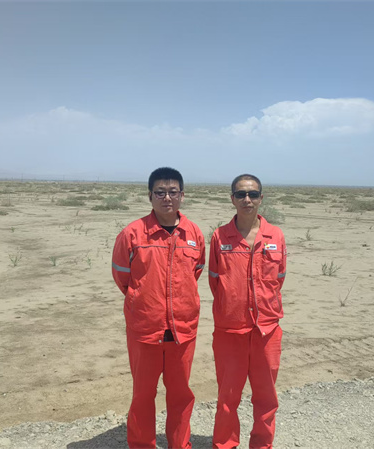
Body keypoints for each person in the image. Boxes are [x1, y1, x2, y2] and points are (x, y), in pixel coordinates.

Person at [112, 167, 206, 449]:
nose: (167, 198)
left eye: (173, 192)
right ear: (150, 196)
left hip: (182, 330)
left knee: (180, 394)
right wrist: (143, 300)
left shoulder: (194, 233)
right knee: (143, 394)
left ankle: (180, 444)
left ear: (182, 195)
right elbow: (123, 277)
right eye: (160, 192)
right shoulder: (132, 234)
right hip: (145, 329)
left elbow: (196, 271)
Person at [208, 174, 287, 449]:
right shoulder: (220, 237)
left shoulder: (276, 235)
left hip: (267, 330)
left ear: (261, 198)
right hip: (230, 331)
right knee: (227, 398)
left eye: (252, 194)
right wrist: (233, 305)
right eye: (241, 194)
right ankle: (225, 444)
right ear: (232, 199)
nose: (247, 199)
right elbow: (215, 281)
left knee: (266, 398)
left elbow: (280, 277)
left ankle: (261, 445)